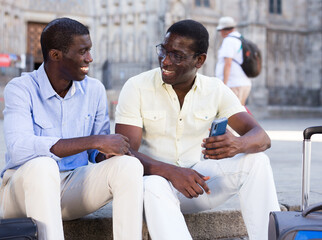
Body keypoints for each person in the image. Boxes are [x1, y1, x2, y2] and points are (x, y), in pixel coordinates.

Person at [115, 19, 280, 240]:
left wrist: (237, 145)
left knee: (257, 161)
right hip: (154, 187)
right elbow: (124, 153)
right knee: (153, 184)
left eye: (177, 55)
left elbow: (262, 138)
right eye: (163, 50)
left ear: (199, 60)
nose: (165, 60)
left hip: (199, 184)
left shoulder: (215, 89)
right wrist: (170, 172)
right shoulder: (137, 86)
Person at [0, 18, 144, 240]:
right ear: (56, 55)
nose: (90, 58)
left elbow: (96, 153)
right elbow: (19, 149)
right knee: (43, 165)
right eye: (83, 51)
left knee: (128, 166)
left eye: (90, 50)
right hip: (21, 193)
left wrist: (108, 153)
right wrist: (93, 141)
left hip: (72, 189)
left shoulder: (94, 90)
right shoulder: (20, 88)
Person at [215, 16, 251, 106]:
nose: (220, 33)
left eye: (220, 31)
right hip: (244, 83)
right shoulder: (241, 39)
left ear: (224, 30)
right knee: (239, 113)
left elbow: (228, 64)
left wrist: (224, 85)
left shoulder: (229, 41)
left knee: (232, 115)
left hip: (233, 84)